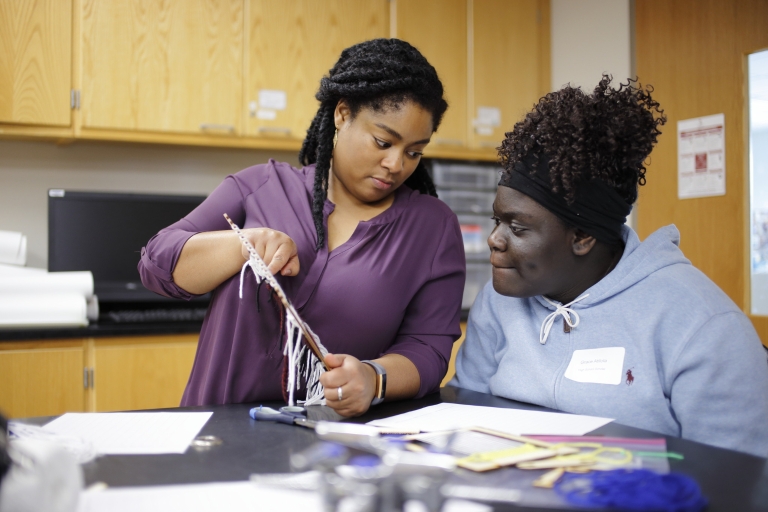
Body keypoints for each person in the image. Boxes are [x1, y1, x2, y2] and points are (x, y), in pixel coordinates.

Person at [139, 39, 465, 417]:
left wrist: (374, 378)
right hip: (215, 429)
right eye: (382, 141)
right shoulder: (260, 187)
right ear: (342, 114)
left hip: (331, 442)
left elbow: (429, 349)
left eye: (413, 152)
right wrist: (244, 245)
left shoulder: (432, 227)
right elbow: (156, 264)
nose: (395, 164)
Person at [451, 76, 768, 458]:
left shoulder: (704, 326)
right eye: (496, 221)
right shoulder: (500, 301)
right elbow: (461, 419)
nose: (495, 240)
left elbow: (738, 479)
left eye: (518, 228)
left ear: (582, 238)